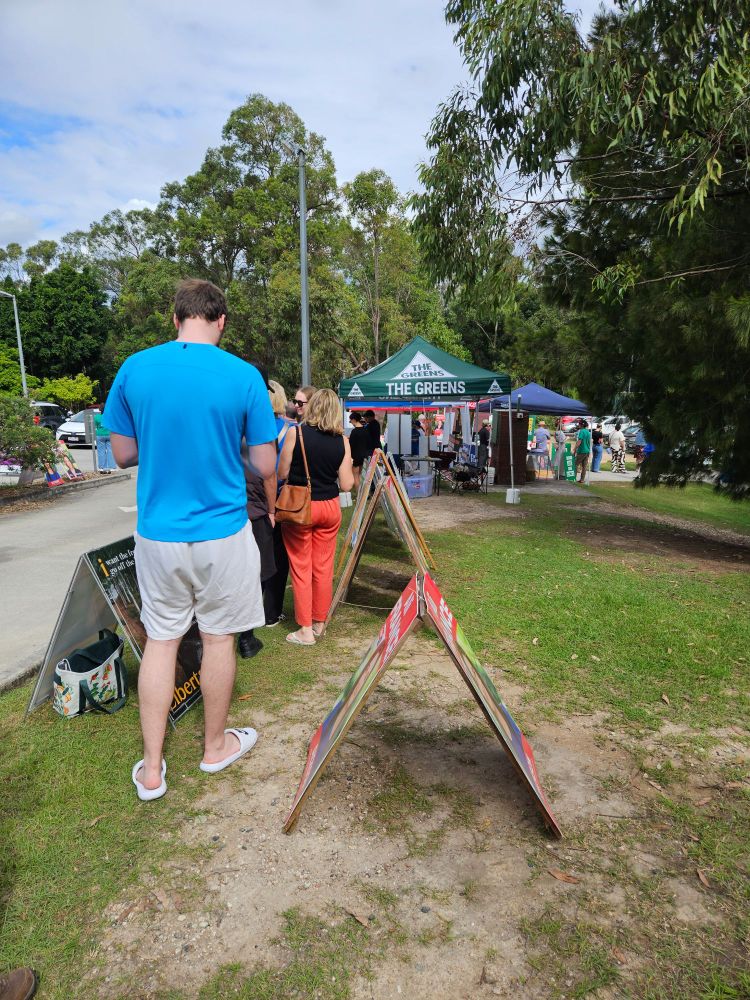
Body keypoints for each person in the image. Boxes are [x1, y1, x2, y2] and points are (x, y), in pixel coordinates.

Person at [104, 278, 277, 800]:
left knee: (162, 640)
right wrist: (229, 451)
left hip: (159, 532)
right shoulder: (244, 375)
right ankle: (214, 747)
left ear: (174, 317)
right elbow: (266, 462)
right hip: (223, 529)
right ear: (221, 319)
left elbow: (122, 454)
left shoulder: (135, 368)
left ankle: (153, 769)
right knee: (220, 637)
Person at [278, 388, 354, 646]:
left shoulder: (295, 433)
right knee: (323, 567)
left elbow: (282, 471)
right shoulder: (342, 441)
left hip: (302, 507)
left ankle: (305, 629)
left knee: (301, 568)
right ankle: (320, 622)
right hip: (330, 507)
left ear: (312, 407)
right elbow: (346, 484)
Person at [237, 367, 279, 660]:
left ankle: (242, 633)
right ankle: (246, 636)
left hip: (228, 508)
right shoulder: (259, 423)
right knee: (259, 570)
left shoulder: (222, 416)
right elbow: (269, 474)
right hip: (252, 509)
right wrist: (273, 509)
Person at [260, 379, 296, 629]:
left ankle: (248, 611)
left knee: (252, 558)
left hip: (249, 500)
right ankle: (272, 612)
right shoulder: (290, 429)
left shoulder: (246, 427)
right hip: (280, 500)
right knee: (278, 558)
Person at [347, 410, 370, 491]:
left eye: (350, 420)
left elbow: (350, 445)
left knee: (355, 475)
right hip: (364, 455)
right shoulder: (365, 430)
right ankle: (362, 492)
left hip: (356, 456)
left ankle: (358, 493)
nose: (351, 422)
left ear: (353, 420)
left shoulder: (354, 431)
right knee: (360, 474)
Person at [573, 418, 591, 483]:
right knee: (584, 466)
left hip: (582, 450)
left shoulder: (581, 431)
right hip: (587, 450)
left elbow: (579, 441)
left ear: (581, 425)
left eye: (579, 424)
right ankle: (582, 479)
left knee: (575, 464)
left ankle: (573, 478)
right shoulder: (588, 432)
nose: (578, 425)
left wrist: (574, 449)